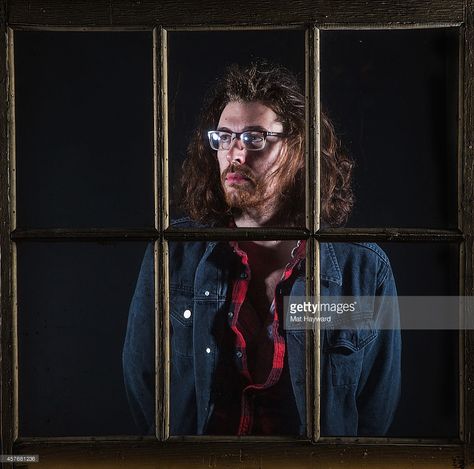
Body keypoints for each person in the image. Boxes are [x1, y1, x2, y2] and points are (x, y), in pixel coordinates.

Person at [123, 62, 401, 437]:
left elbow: (375, 412)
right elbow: (144, 386)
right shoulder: (173, 253)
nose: (235, 154)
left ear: (299, 150)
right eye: (223, 137)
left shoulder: (363, 269)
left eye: (254, 138)